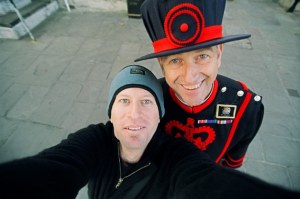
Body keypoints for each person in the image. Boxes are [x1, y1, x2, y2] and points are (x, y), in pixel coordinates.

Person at [0, 64, 299, 199]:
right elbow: (55, 169)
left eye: (146, 102)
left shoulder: (176, 155)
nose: (134, 114)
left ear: (160, 116)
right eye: (124, 101)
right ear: (111, 113)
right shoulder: (95, 140)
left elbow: (205, 181)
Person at [134, 0, 264, 168]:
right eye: (175, 60)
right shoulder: (146, 102)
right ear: (161, 65)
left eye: (202, 56)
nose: (190, 77)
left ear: (219, 54)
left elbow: (231, 164)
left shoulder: (245, 107)